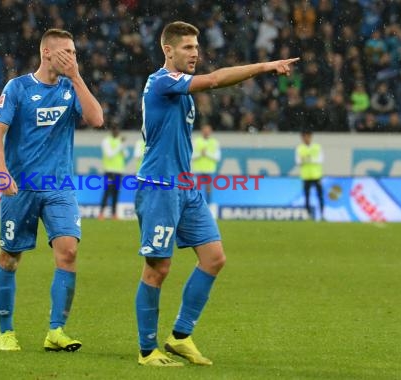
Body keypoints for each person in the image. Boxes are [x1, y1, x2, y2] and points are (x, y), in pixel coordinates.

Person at [134, 21, 299, 367]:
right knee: (157, 269)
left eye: (197, 47)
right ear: (168, 50)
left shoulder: (181, 90)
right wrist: (265, 66)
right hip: (160, 187)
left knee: (213, 258)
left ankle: (179, 337)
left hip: (186, 187)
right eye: (188, 48)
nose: (196, 53)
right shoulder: (162, 81)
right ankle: (148, 350)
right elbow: (214, 80)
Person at [0, 28, 104, 352]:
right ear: (47, 53)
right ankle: (6, 332)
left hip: (59, 186)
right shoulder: (18, 88)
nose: (72, 58)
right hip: (21, 187)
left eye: (75, 53)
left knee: (68, 251)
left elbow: (97, 119)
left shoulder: (70, 88)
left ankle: (56, 331)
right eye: (66, 52)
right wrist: (3, 174)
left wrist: (77, 77)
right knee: (10, 258)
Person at [98, 126, 128, 220]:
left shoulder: (119, 142)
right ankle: (101, 213)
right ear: (112, 131)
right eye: (115, 130)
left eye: (118, 130)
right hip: (109, 171)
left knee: (116, 192)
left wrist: (122, 145)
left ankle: (114, 214)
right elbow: (109, 154)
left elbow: (126, 154)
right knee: (108, 192)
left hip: (119, 171)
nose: (117, 132)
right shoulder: (106, 141)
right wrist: (120, 145)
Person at [295, 130, 325, 220]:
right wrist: (310, 159)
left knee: (320, 196)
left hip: (316, 175)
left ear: (311, 137)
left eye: (307, 136)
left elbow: (321, 159)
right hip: (306, 176)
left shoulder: (317, 147)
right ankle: (308, 215)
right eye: (304, 137)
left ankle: (322, 215)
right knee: (307, 197)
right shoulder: (299, 148)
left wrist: (306, 159)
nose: (306, 138)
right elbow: (298, 161)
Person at [191, 124, 220, 204]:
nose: (206, 132)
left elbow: (217, 157)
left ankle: (208, 205)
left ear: (211, 132)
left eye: (208, 131)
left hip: (209, 170)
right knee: (195, 189)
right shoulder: (196, 141)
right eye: (205, 131)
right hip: (198, 170)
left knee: (209, 189)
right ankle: (194, 205)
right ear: (202, 131)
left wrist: (206, 153)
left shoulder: (214, 142)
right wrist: (200, 154)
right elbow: (191, 156)